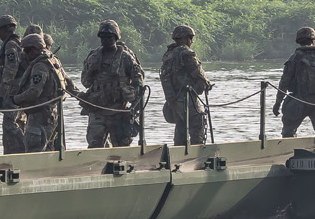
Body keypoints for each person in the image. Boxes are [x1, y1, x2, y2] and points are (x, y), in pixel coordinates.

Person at [81, 19, 146, 148]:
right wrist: (91, 69)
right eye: (103, 37)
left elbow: (138, 83)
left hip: (118, 110)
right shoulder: (93, 57)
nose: (105, 40)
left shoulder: (126, 57)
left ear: (115, 37)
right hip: (97, 110)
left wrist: (133, 105)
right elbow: (85, 82)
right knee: (94, 145)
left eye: (109, 37)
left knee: (121, 147)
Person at [273, 26, 315, 137]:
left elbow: (284, 82)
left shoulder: (294, 58)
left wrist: (278, 103)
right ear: (314, 40)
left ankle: (288, 151)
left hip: (298, 101)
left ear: (299, 41)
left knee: (288, 133)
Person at [12, 32, 71, 151]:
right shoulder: (54, 61)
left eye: (27, 51)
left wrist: (16, 99)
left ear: (35, 50)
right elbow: (67, 81)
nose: (25, 54)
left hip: (40, 116)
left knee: (33, 150)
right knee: (49, 150)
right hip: (53, 112)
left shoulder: (40, 66)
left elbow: (34, 92)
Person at [161, 25, 213, 146]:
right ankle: (196, 155)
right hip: (187, 98)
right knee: (197, 124)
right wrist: (206, 84)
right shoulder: (186, 53)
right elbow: (199, 74)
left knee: (181, 126)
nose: (191, 41)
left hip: (173, 99)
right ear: (184, 38)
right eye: (190, 38)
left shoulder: (169, 54)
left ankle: (179, 153)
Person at [0, 15, 25, 148]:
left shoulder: (11, 44)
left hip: (14, 90)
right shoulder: (20, 42)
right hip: (21, 89)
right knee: (20, 121)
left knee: (10, 123)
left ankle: (23, 147)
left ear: (5, 29)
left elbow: (10, 70)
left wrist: (1, 94)